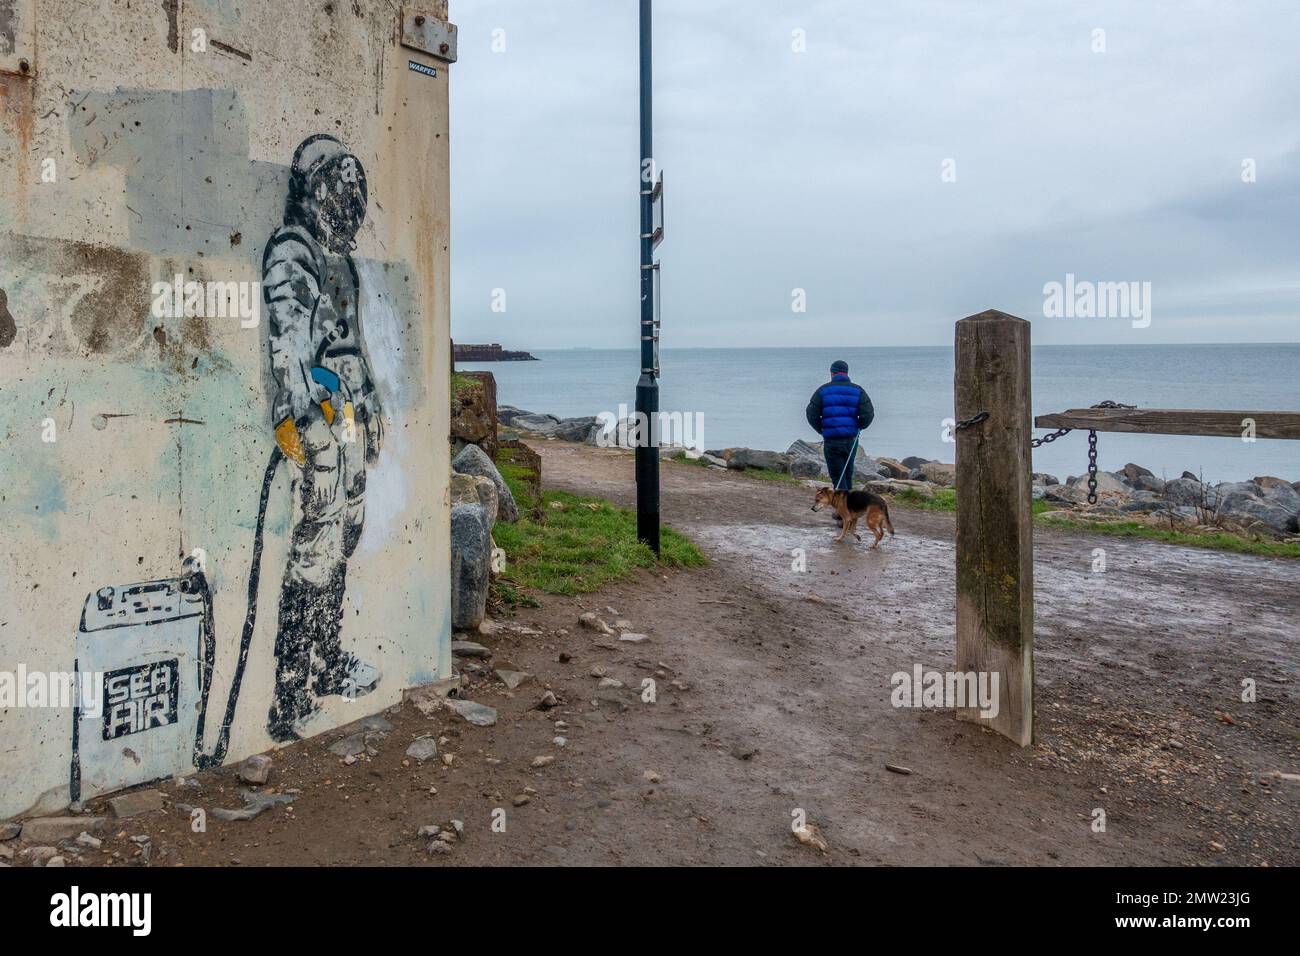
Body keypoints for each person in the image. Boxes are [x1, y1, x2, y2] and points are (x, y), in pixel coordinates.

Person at [263, 133, 386, 742]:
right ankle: (288, 695)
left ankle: (327, 659)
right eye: (339, 189)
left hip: (345, 419)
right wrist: (309, 426)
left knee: (345, 535)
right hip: (311, 422)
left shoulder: (339, 260)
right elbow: (289, 354)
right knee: (315, 543)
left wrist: (369, 407)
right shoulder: (292, 254)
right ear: (313, 192)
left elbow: (351, 343)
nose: (350, 201)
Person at [805, 359, 874, 490]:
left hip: (832, 439)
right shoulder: (858, 390)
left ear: (832, 373)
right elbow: (868, 414)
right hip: (851, 439)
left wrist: (821, 429)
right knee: (847, 474)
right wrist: (859, 427)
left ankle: (843, 508)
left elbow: (811, 414)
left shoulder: (822, 390)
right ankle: (848, 506)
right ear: (847, 373)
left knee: (837, 476)